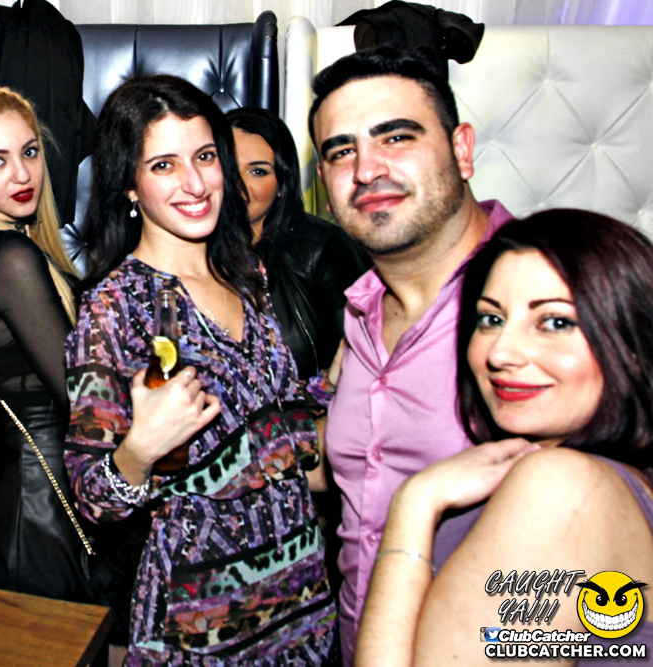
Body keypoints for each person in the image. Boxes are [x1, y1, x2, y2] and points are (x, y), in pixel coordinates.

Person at [67, 74, 338, 665]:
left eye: (206, 157)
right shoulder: (116, 308)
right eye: (164, 165)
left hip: (300, 594)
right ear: (129, 184)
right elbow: (92, 496)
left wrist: (342, 377)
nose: (195, 183)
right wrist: (139, 450)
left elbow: (279, 422)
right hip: (201, 620)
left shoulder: (246, 274)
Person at [355, 210, 653, 666]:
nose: (501, 352)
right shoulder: (602, 479)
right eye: (491, 319)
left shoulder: (563, 487)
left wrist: (414, 505)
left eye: (555, 322)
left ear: (630, 342)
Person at [307, 45, 517, 662]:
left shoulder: (547, 304)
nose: (366, 169)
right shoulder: (360, 314)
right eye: (341, 151)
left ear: (462, 149)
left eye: (396, 137)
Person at [0, 86, 90, 601]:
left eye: (29, 152)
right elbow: (80, 395)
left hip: (22, 488)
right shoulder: (9, 256)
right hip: (39, 498)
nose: (22, 175)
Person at [226, 106, 369, 378]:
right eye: (228, 168)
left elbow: (363, 362)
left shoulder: (321, 248)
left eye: (257, 171)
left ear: (281, 183)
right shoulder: (183, 252)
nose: (238, 185)